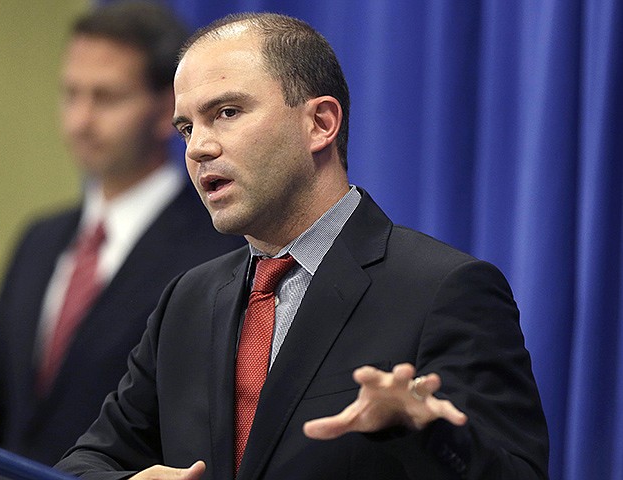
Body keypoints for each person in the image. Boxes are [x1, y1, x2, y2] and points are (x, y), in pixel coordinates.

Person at [55, 12, 549, 480]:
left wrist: (427, 429)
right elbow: (86, 461)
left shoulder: (442, 290)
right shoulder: (188, 299)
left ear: (321, 124)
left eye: (226, 112)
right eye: (187, 127)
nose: (198, 147)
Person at [0, 1, 243, 467]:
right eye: (71, 94)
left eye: (105, 97)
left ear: (165, 110)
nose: (80, 121)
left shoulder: (220, 249)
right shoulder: (39, 241)